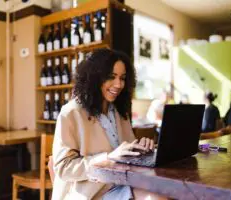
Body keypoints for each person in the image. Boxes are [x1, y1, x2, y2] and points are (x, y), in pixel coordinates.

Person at [52, 49, 168, 200]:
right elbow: (63, 168)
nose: (118, 84)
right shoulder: (71, 113)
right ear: (95, 78)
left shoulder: (119, 111)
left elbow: (125, 151)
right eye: (111, 77)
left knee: (165, 194)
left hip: (122, 183)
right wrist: (109, 158)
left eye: (122, 78)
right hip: (90, 192)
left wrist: (141, 148)